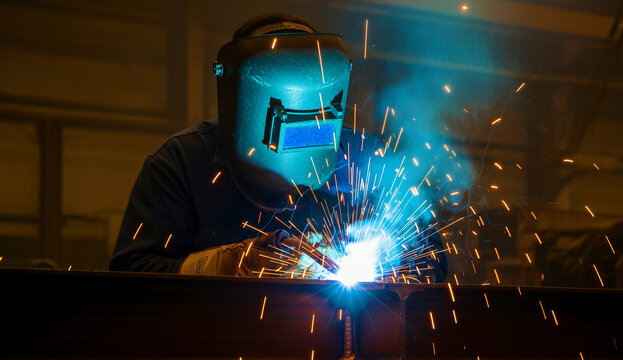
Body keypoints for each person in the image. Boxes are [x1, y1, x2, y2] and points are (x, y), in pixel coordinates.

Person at [110, 12, 446, 281]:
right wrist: (225, 265)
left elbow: (432, 260)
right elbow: (131, 275)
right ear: (244, 97)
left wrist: (387, 262)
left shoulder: (367, 159)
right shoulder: (181, 161)